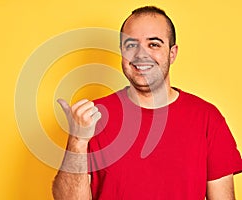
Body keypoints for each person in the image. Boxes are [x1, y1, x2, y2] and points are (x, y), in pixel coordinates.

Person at [52, 6, 242, 199]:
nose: (141, 55)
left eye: (154, 44)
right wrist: (77, 140)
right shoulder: (93, 117)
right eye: (131, 45)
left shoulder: (207, 119)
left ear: (172, 53)